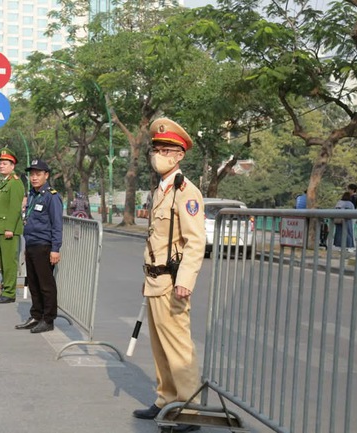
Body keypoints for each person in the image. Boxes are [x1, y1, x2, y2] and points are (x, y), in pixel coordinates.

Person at [133, 118, 205, 433]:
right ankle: (166, 399)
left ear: (179, 156)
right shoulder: (161, 189)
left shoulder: (186, 192)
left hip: (173, 283)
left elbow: (195, 241)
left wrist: (185, 281)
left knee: (178, 346)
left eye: (166, 150)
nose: (159, 154)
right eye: (157, 148)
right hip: (155, 279)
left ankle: (188, 410)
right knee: (160, 347)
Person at [15, 159, 63, 333]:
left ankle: (48, 319)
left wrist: (55, 248)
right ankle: (36, 315)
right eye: (32, 174)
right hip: (31, 244)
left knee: (46, 285)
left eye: (38, 174)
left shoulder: (52, 196)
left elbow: (57, 224)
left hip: (44, 245)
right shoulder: (33, 195)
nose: (34, 177)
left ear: (46, 175)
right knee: (33, 283)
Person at [0, 148, 26, 304]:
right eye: (0, 164)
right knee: (3, 262)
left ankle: (10, 293)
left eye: (5, 164)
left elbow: (14, 208)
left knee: (10, 262)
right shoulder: (4, 183)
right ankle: (6, 288)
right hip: (0, 228)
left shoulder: (15, 184)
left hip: (8, 229)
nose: (1, 166)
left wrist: (10, 228)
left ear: (13, 166)